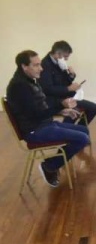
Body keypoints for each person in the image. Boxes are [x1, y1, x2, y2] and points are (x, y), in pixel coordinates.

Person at [6, 50, 90, 187]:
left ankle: (54, 163)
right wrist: (61, 105)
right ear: (24, 66)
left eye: (40, 64)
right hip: (34, 131)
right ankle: (50, 166)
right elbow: (36, 114)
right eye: (36, 65)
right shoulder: (19, 86)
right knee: (83, 138)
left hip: (45, 124)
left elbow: (41, 109)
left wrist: (62, 110)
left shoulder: (29, 81)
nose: (41, 68)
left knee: (84, 131)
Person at [39, 40, 96, 125]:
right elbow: (47, 89)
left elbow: (64, 81)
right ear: (57, 54)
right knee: (87, 108)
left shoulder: (59, 62)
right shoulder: (45, 65)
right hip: (54, 100)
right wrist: (68, 88)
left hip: (65, 96)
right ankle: (69, 129)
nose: (66, 59)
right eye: (65, 56)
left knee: (93, 108)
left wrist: (71, 75)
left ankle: (77, 129)